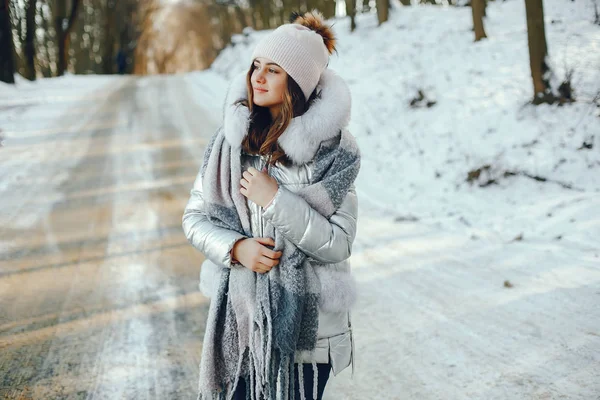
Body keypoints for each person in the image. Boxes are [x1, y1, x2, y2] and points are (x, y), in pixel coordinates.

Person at [182, 10, 361, 400]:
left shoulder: (333, 152)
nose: (257, 78)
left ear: (297, 83)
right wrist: (235, 248)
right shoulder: (230, 145)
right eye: (255, 67)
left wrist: (275, 200)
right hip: (243, 322)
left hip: (308, 338)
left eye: (273, 70)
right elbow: (194, 217)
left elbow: (338, 243)